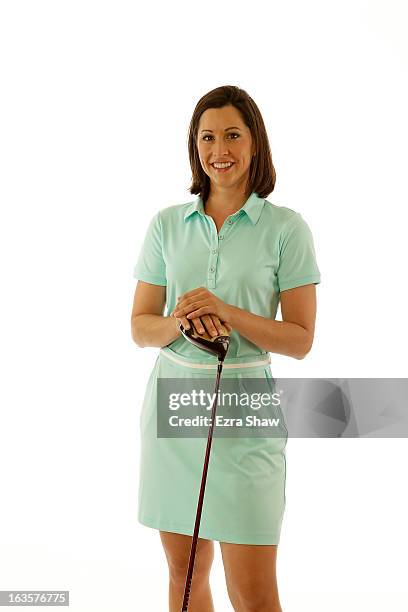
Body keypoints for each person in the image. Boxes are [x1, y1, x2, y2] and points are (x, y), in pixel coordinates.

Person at [131, 85, 321, 612]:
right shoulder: (167, 225)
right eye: (208, 136)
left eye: (233, 135)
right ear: (194, 146)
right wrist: (180, 321)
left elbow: (301, 341)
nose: (221, 149)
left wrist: (229, 313)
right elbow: (141, 327)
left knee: (253, 592)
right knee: (184, 575)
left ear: (254, 143)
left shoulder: (286, 229)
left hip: (247, 413)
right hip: (171, 408)